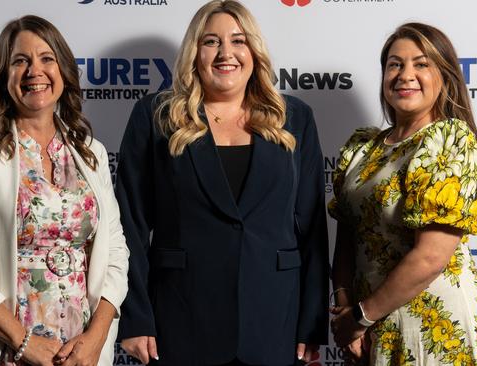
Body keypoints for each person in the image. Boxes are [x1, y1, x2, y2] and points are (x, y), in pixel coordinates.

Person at [115, 1, 329, 365]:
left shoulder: (294, 118)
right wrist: (135, 316)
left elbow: (312, 231)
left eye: (238, 40)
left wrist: (311, 324)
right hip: (181, 320)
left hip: (274, 322)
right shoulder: (156, 116)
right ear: (194, 53)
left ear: (254, 51)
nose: (225, 53)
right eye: (211, 41)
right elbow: (129, 225)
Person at [0, 15, 129, 366]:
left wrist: (96, 339)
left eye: (47, 58)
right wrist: (25, 343)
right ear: (4, 76)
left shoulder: (90, 152)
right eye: (20, 61)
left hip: (77, 354)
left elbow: (115, 253)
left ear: (63, 70)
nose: (35, 70)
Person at [328, 22, 477, 365]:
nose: (405, 74)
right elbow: (346, 240)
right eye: (395, 64)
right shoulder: (362, 149)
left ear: (444, 76)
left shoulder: (449, 141)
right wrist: (345, 310)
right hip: (368, 324)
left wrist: (359, 319)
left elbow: (430, 257)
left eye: (421, 64)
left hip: (436, 326)